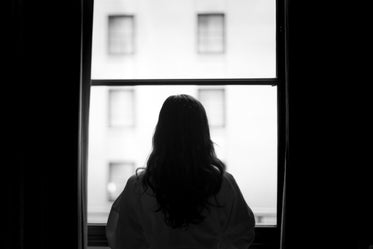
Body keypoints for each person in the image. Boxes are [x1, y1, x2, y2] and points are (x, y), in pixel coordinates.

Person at [106, 94, 255, 249]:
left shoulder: (138, 186)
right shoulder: (223, 184)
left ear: (161, 133)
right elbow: (243, 233)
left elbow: (125, 239)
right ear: (203, 134)